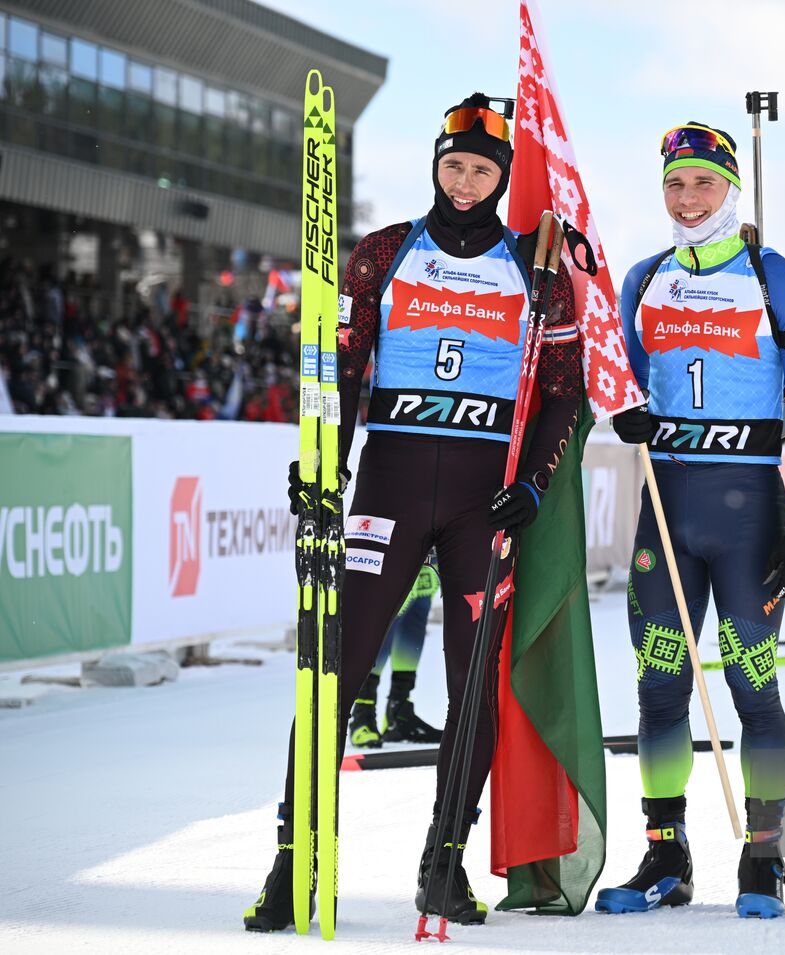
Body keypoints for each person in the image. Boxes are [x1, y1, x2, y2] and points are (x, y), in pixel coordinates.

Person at [243, 93, 583, 931]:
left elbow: (563, 395)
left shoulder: (535, 271)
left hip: (481, 498)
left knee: (471, 687)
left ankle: (446, 860)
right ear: (435, 163)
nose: (465, 181)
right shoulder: (385, 253)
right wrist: (324, 465)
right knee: (336, 667)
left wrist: (533, 483)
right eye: (454, 164)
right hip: (389, 484)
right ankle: (293, 859)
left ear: (503, 178)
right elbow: (343, 367)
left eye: (483, 169)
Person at [595, 122, 785, 919]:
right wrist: (624, 412)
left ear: (731, 188)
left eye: (703, 183)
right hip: (666, 508)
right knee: (659, 686)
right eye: (675, 184)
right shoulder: (644, 278)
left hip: (747, 515)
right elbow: (618, 375)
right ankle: (666, 853)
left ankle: (764, 853)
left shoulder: (778, 279)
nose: (689, 198)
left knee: (750, 683)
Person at [348, 557, 444, 748]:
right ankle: (362, 714)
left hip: (432, 539)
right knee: (389, 615)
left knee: (418, 606)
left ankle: (399, 711)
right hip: (395, 537)